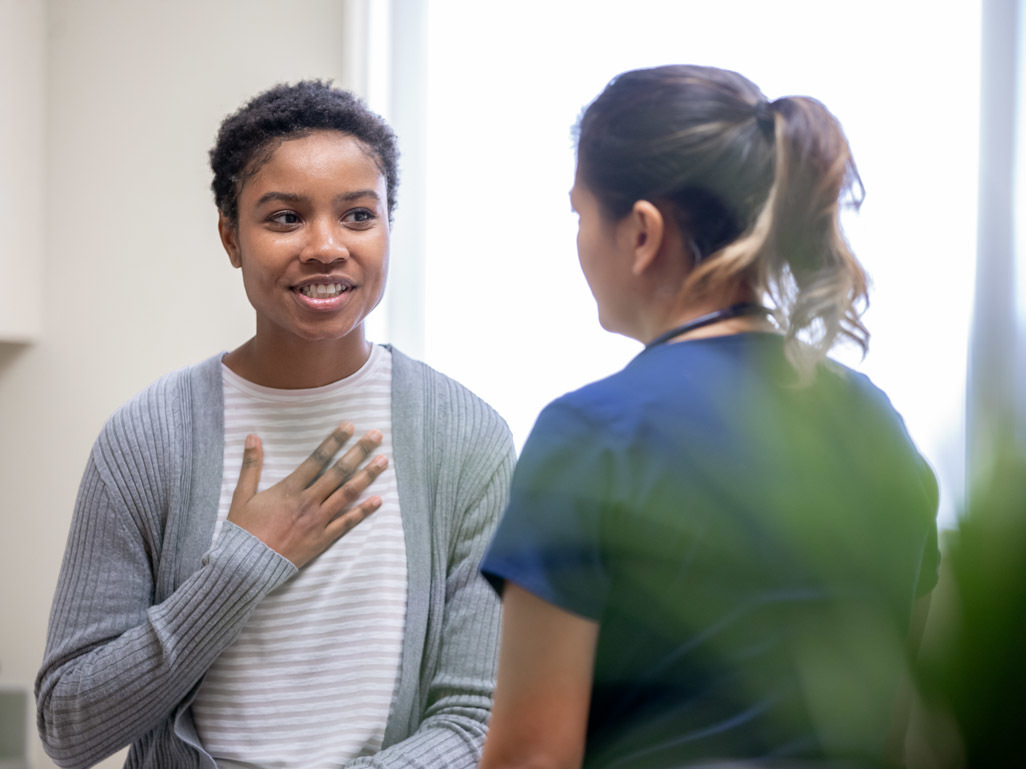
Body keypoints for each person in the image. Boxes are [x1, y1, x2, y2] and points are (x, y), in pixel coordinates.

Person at [36, 81, 514, 769]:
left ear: (387, 227)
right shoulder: (147, 439)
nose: (325, 246)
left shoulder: (465, 438)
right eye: (285, 218)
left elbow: (477, 723)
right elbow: (68, 727)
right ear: (231, 238)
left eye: (357, 215)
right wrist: (239, 566)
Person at [479, 65, 940, 769]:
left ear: (641, 232)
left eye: (579, 215)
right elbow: (890, 730)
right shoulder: (878, 426)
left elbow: (532, 757)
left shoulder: (592, 435)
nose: (577, 241)